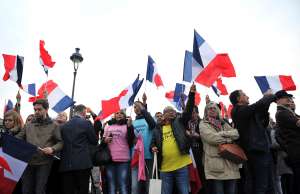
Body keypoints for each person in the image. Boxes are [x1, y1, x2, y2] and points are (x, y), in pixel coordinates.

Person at [151, 83, 196, 194]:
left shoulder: (180, 122)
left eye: (173, 111)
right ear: (164, 115)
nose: (172, 113)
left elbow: (188, 110)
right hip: (165, 168)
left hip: (181, 166)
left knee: (184, 192)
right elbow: (152, 143)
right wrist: (153, 147)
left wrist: (191, 95)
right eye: (168, 111)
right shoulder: (158, 128)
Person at [229, 89, 276, 194]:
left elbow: (263, 123)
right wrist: (269, 96)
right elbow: (257, 105)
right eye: (244, 94)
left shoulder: (249, 112)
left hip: (263, 149)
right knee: (261, 185)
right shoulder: (237, 111)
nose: (248, 96)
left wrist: (266, 107)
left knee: (269, 184)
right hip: (255, 152)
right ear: (238, 99)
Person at [16, 99, 63, 194]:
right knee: (26, 190)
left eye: (39, 109)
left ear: (46, 110)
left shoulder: (54, 126)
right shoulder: (28, 125)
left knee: (39, 190)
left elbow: (60, 142)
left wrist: (52, 149)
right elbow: (17, 138)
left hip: (44, 163)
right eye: (35, 109)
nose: (36, 112)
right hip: (28, 162)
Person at [200, 101, 240, 194]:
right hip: (216, 165)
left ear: (218, 110)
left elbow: (236, 134)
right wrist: (228, 140)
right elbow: (212, 138)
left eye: (214, 108)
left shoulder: (223, 123)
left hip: (230, 163)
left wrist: (222, 133)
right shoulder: (203, 124)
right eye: (209, 109)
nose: (212, 110)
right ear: (206, 112)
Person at [59, 104, 97, 194]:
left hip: (66, 164)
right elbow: (94, 141)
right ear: (84, 112)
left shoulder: (64, 126)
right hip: (83, 164)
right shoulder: (86, 123)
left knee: (68, 190)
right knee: (82, 190)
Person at [103, 110, 135, 194]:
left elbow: (131, 141)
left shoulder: (127, 125)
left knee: (123, 185)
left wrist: (130, 127)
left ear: (124, 115)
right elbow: (103, 142)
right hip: (110, 160)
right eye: (117, 113)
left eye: (121, 113)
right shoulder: (108, 126)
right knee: (111, 185)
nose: (119, 115)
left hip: (123, 160)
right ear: (114, 115)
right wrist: (105, 140)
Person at [275, 90, 300, 194]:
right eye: (286, 97)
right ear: (278, 100)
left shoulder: (289, 112)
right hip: (296, 151)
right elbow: (298, 123)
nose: (289, 99)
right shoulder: (282, 113)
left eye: (289, 97)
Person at [131, 97, 156, 194]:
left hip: (148, 157)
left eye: (138, 106)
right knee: (135, 187)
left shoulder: (149, 120)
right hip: (136, 158)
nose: (136, 108)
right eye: (134, 107)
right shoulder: (132, 123)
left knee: (149, 186)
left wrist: (143, 106)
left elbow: (152, 124)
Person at [3, 110, 24, 194]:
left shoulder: (22, 133)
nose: (7, 122)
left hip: (18, 169)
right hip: (6, 167)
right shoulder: (5, 133)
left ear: (16, 121)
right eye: (5, 120)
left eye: (10, 120)